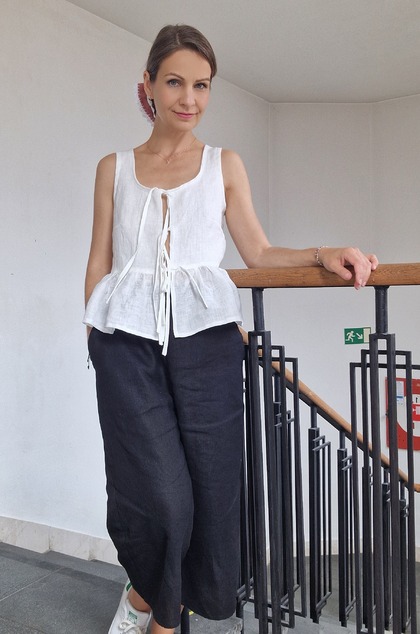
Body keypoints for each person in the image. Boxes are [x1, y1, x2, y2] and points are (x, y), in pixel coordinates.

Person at [84, 24, 378, 634]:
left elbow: (258, 253)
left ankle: (150, 608)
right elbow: (99, 261)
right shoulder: (114, 169)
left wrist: (322, 254)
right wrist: (94, 334)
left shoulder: (224, 165)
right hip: (125, 344)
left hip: (208, 345)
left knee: (213, 493)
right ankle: (153, 605)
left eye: (202, 85)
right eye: (175, 82)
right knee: (158, 495)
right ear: (148, 85)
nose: (189, 99)